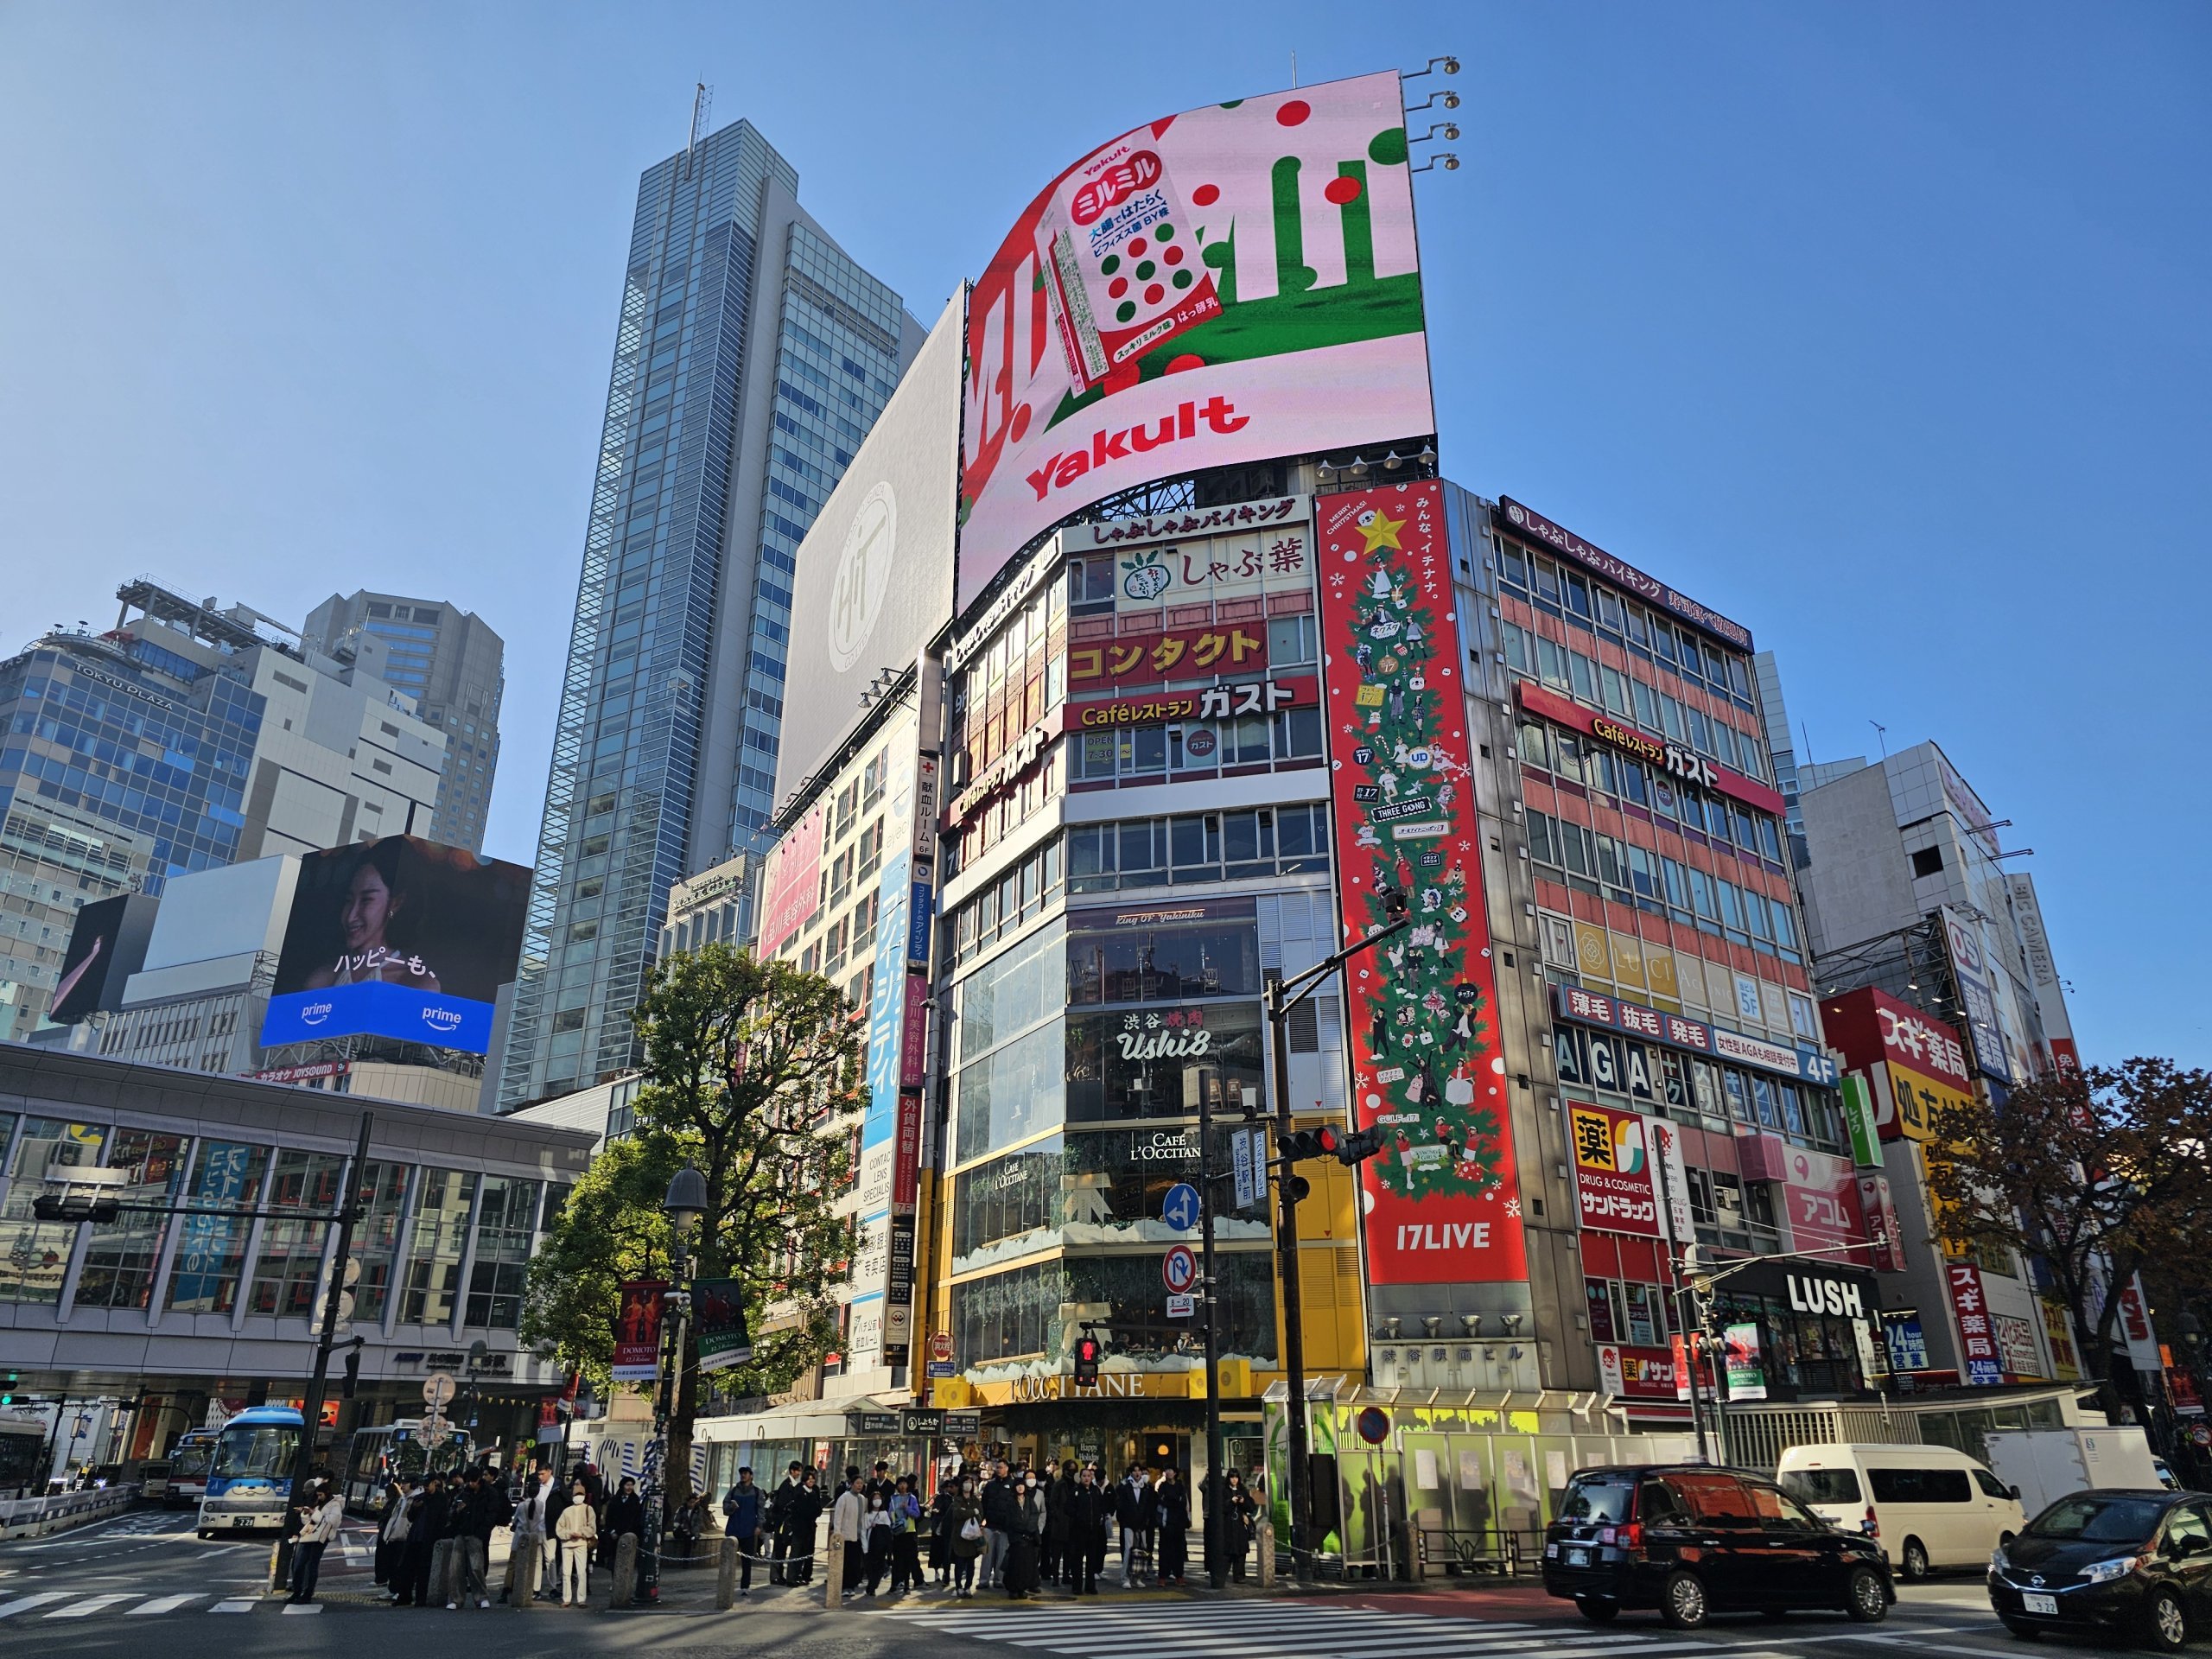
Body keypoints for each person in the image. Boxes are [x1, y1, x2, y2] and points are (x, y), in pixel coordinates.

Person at [303, 839, 442, 992]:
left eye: (366, 900)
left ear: (396, 903)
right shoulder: (322, 979)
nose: (350, 917)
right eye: (349, 900)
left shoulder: (418, 985)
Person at [448, 1465, 511, 1608]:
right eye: (469, 1481)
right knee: (456, 1568)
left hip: (476, 1533)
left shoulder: (490, 1493)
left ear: (479, 1480)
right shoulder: (464, 1492)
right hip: (461, 1531)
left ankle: (481, 1597)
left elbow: (491, 1514)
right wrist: (457, 1512)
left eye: (473, 1481)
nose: (471, 1484)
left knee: (476, 1567)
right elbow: (452, 1511)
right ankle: (456, 1599)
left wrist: (482, 1532)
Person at [288, 1480, 343, 1603]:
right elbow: (309, 1522)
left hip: (321, 1538)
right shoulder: (318, 1503)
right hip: (310, 1536)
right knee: (299, 1565)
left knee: (312, 1565)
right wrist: (306, 1514)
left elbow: (333, 1522)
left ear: (327, 1493)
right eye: (317, 1495)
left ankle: (307, 1594)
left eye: (320, 1495)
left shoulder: (335, 1505)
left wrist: (314, 1513)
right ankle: (297, 1592)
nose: (319, 1497)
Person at [397, 1472, 448, 1608]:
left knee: (423, 1570)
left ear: (434, 1483)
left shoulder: (441, 1499)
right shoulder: (420, 1498)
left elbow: (442, 1520)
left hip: (429, 1538)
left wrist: (437, 1537)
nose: (425, 1488)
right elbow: (410, 1517)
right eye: (424, 1485)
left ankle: (421, 1599)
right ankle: (404, 1597)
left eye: (427, 1485)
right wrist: (415, 1508)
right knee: (407, 1568)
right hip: (415, 1537)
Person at [1067, 1465, 1110, 1597]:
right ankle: (1077, 1587)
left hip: (1093, 1530)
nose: (1086, 1478)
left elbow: (1101, 1506)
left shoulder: (1095, 1491)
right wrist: (1078, 1517)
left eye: (1089, 1476)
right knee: (1078, 1560)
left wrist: (1100, 1517)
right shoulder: (1075, 1491)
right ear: (1080, 1478)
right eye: (1084, 1476)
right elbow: (1068, 1508)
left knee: (1092, 1559)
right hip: (1079, 1531)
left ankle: (1090, 1586)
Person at [555, 1478, 598, 1607]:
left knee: (581, 1572)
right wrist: (570, 1534)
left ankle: (580, 1599)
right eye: (576, 1494)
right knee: (566, 1572)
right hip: (569, 1543)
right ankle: (567, 1598)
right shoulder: (567, 1511)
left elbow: (592, 1527)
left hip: (580, 1543)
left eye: (580, 1494)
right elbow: (559, 1528)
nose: (578, 1497)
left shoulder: (588, 1509)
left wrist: (580, 1533)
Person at [722, 1467, 763, 1599]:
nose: (743, 1475)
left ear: (751, 1475)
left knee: (747, 1561)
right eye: (741, 1473)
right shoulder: (734, 1491)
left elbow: (761, 1511)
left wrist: (759, 1526)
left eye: (745, 1473)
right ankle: (726, 1584)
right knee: (729, 1560)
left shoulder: (757, 1491)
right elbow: (725, 1509)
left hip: (749, 1530)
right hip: (734, 1529)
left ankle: (745, 1586)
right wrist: (731, 1507)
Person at [1115, 1465, 1158, 1587]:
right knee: (1128, 1550)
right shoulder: (1124, 1487)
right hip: (1128, 1523)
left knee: (1142, 1550)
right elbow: (1120, 1505)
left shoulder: (1146, 1488)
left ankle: (1138, 1577)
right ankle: (1125, 1577)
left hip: (1142, 1524)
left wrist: (1146, 1521)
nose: (1137, 1473)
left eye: (1139, 1471)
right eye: (1135, 1471)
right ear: (1131, 1473)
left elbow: (1150, 1505)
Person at [1007, 1467, 1047, 1599]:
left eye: (1022, 1485)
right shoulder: (1010, 1501)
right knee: (1015, 1565)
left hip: (1029, 1538)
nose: (1020, 1487)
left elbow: (1035, 1515)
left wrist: (1029, 1529)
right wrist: (1021, 1529)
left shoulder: (1029, 1501)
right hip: (1016, 1538)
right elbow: (1011, 1519)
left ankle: (1023, 1588)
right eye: (1018, 1485)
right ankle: (1013, 1589)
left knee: (1027, 1564)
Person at [766, 1461, 807, 1585]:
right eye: (797, 1471)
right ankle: (775, 1576)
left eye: (800, 1471)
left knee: (784, 1549)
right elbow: (781, 1504)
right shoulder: (786, 1485)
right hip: (782, 1522)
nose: (799, 1473)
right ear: (792, 1471)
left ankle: (780, 1575)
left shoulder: (797, 1485)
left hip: (790, 1523)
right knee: (779, 1548)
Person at [979, 1460, 1017, 1592]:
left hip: (1005, 1526)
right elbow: (984, 1503)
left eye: (1001, 1467)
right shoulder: (990, 1485)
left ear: (1007, 1468)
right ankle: (984, 1580)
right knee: (987, 1554)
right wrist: (982, 1521)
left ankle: (999, 1579)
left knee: (1002, 1553)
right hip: (990, 1524)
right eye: (997, 1467)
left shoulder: (1013, 1485)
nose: (998, 1470)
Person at [948, 1474, 986, 1599]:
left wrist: (969, 1512)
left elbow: (980, 1514)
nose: (968, 1485)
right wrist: (972, 1512)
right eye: (966, 1482)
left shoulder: (975, 1500)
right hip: (959, 1537)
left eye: (970, 1482)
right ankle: (959, 1587)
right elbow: (958, 1513)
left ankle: (968, 1587)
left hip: (973, 1537)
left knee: (970, 1564)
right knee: (959, 1564)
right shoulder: (957, 1500)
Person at [375, 1474, 413, 1592]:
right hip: (392, 1534)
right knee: (391, 1562)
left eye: (405, 1483)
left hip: (400, 1536)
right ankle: (391, 1588)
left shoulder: (409, 1499)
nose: (402, 1486)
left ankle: (394, 1588)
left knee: (394, 1563)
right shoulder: (402, 1499)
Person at [831, 1474, 867, 1598]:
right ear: (851, 1484)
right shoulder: (844, 1498)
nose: (859, 1486)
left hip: (858, 1536)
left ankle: (852, 1585)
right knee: (846, 1563)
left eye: (861, 1483)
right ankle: (845, 1586)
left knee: (855, 1563)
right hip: (845, 1536)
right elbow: (838, 1517)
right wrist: (837, 1534)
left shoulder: (863, 1499)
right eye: (857, 1483)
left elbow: (863, 1517)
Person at [887, 1475, 922, 1595]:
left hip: (909, 1532)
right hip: (897, 1532)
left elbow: (917, 1514)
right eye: (900, 1484)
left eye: (904, 1484)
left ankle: (907, 1584)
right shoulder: (893, 1498)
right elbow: (890, 1513)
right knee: (897, 1560)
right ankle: (894, 1584)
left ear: (907, 1485)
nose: (902, 1486)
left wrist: (907, 1508)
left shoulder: (911, 1498)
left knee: (908, 1559)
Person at [1155, 1467, 1190, 1586]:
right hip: (1166, 1522)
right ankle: (1162, 1576)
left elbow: (1183, 1501)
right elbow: (1161, 1500)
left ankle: (1179, 1575)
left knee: (1179, 1550)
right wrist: (1173, 1501)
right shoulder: (1162, 1486)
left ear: (1175, 1473)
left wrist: (1171, 1500)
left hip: (1179, 1522)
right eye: (1167, 1470)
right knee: (1164, 1550)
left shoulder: (1180, 1486)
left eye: (1171, 1470)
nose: (1169, 1472)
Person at [1223, 1470, 1256, 1583]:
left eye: (1236, 1477)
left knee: (1241, 1551)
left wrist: (1243, 1501)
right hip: (1228, 1524)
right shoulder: (1224, 1490)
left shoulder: (1242, 1490)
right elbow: (1221, 1507)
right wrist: (1231, 1501)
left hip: (1240, 1525)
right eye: (1232, 1477)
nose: (1234, 1480)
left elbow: (1251, 1507)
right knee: (1227, 1552)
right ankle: (1222, 1575)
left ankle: (1239, 1576)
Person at [928, 1473, 959, 1587]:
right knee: (942, 1552)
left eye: (951, 1487)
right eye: (948, 1487)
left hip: (954, 1530)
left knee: (950, 1554)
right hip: (942, 1530)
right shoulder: (942, 1498)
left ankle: (949, 1574)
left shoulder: (959, 1499)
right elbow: (935, 1513)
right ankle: (943, 1573)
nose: (949, 1489)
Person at [861, 1487, 893, 1595]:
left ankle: (872, 1587)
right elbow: (863, 1531)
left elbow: (887, 1528)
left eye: (879, 1498)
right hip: (870, 1544)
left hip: (881, 1545)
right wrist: (865, 1547)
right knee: (870, 1568)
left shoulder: (884, 1514)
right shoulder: (867, 1515)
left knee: (879, 1568)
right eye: (875, 1498)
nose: (877, 1500)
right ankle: (871, 1586)